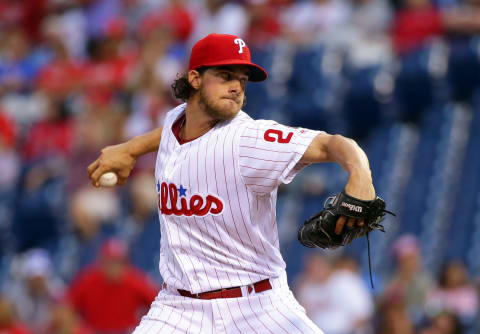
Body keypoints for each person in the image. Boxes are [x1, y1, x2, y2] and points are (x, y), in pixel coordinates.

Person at [87, 33, 378, 333]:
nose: (237, 86)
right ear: (195, 79)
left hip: (258, 305)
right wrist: (130, 149)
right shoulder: (176, 120)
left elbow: (330, 144)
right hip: (178, 308)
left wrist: (360, 173)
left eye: (242, 79)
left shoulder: (248, 140)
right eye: (225, 75)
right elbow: (172, 130)